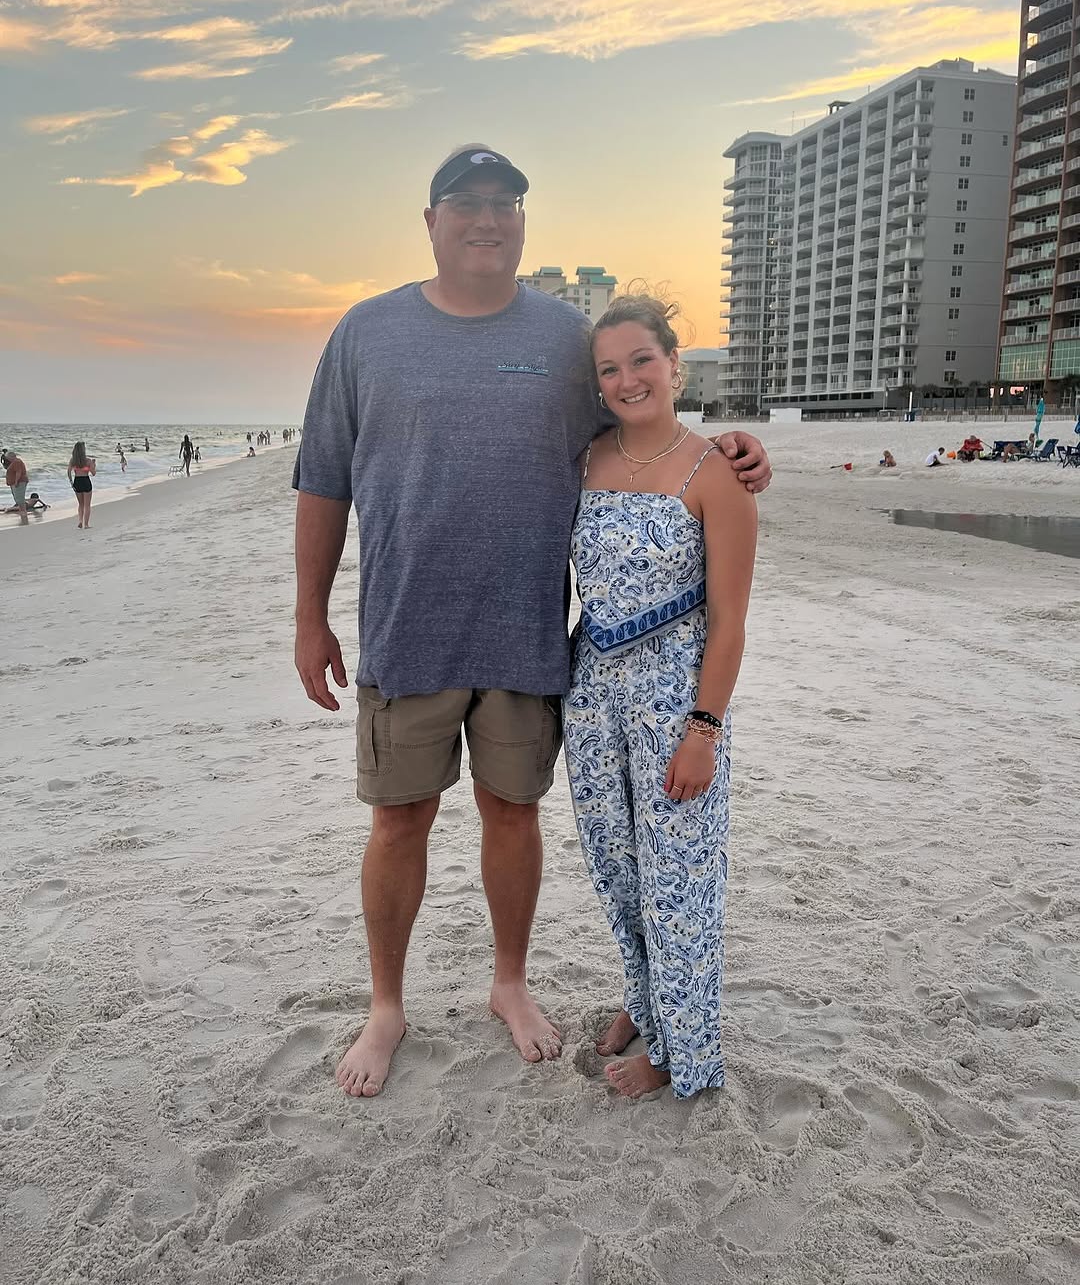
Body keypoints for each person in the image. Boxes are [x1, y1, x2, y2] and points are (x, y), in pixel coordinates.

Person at [292, 143, 773, 1101]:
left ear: (521, 220)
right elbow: (323, 481)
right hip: (406, 629)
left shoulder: (563, 337)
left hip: (526, 635)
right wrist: (310, 617)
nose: (487, 218)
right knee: (398, 821)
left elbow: (637, 425)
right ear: (431, 220)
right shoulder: (365, 333)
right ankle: (386, 1007)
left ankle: (508, 983)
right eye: (466, 202)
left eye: (505, 203)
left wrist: (732, 450)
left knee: (512, 815)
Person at [564, 295, 757, 1100]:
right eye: (609, 368)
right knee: (618, 870)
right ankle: (645, 1006)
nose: (627, 379)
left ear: (675, 364)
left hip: (676, 703)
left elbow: (731, 620)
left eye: (642, 360)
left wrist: (704, 731)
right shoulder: (584, 458)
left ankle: (684, 1056)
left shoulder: (718, 475)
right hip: (590, 698)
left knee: (681, 880)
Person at [67, 441, 96, 528]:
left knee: (81, 504)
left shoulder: (73, 461)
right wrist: (93, 465)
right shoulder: (88, 461)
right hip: (86, 480)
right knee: (87, 505)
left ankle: (80, 521)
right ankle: (86, 524)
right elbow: (93, 473)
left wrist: (71, 482)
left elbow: (68, 472)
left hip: (77, 481)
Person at [4, 448, 29, 526]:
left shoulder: (17, 462)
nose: (7, 459)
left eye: (7, 457)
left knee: (20, 499)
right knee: (18, 499)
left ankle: (24, 515)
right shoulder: (14, 462)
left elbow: (18, 472)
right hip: (16, 482)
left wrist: (16, 482)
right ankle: (23, 513)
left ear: (11, 457)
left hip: (19, 482)